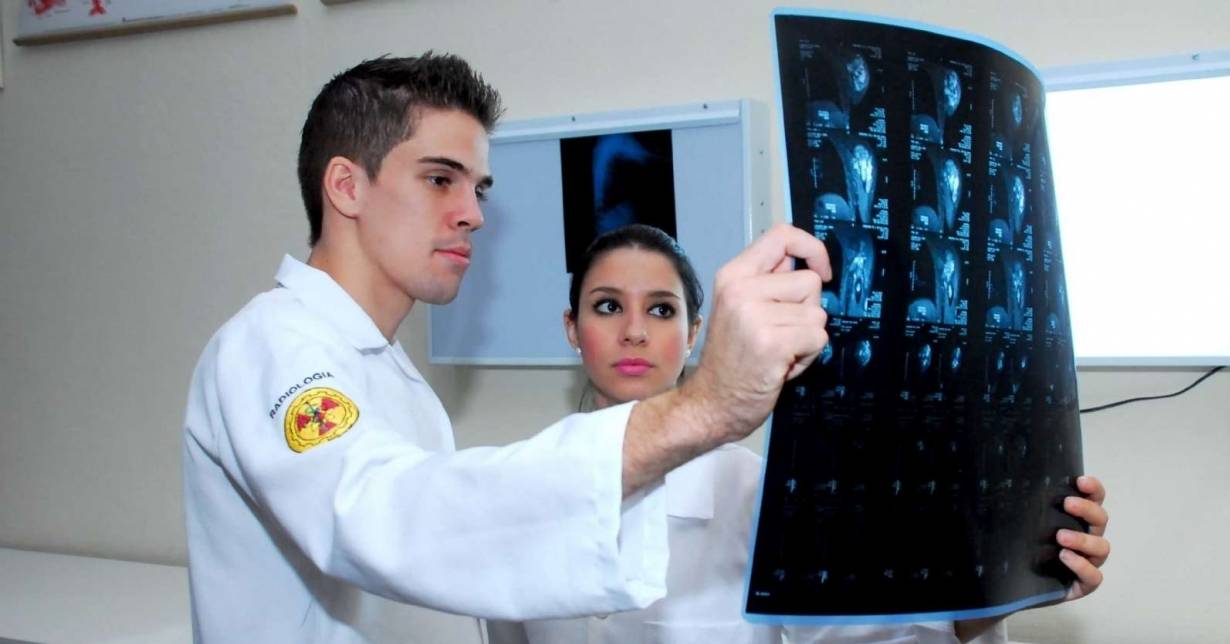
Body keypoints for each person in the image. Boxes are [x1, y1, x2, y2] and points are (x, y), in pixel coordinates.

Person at [181, 54, 831, 643]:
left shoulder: (388, 374)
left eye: (479, 188)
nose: (474, 214)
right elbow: (387, 518)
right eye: (441, 179)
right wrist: (709, 405)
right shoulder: (271, 345)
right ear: (347, 187)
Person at [488, 225, 1110, 644]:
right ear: (571, 328)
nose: (633, 331)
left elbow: (870, 636)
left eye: (661, 309)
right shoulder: (516, 486)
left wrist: (1014, 580)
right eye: (606, 306)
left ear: (697, 331)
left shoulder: (755, 491)